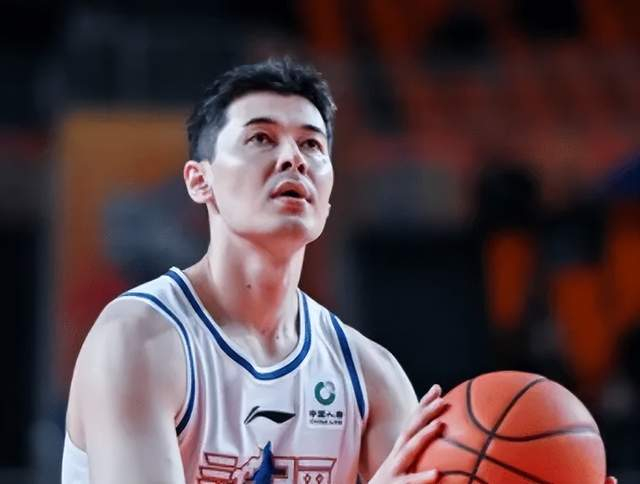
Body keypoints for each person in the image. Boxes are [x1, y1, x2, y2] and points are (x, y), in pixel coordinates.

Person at [61, 58, 617, 484]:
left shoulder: (370, 377)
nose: (292, 158)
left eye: (311, 144)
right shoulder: (138, 340)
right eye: (260, 138)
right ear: (199, 180)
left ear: (328, 193)